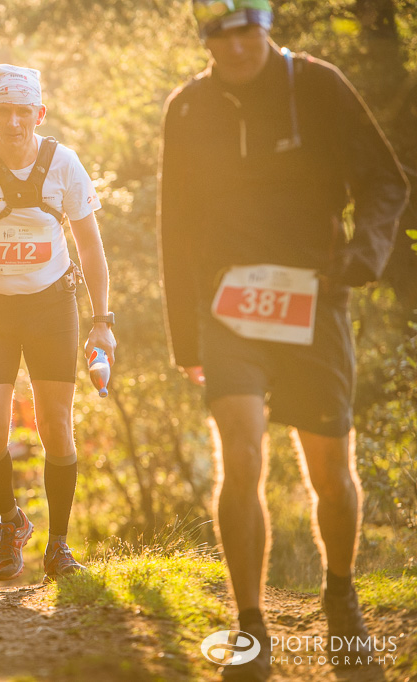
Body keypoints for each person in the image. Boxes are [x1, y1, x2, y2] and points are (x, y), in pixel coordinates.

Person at [158, 1, 410, 679]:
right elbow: (174, 225)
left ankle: (341, 598)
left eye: (247, 31)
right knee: (240, 457)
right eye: (221, 35)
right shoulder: (188, 109)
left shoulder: (318, 85)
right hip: (229, 307)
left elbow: (386, 181)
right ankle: (251, 627)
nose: (237, 47)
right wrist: (186, 338)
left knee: (330, 471)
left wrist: (363, 256)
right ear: (206, 40)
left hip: (315, 298)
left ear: (266, 26)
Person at [0, 64, 117, 581]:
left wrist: (102, 320)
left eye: (24, 112)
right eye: (5, 111)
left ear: (40, 113)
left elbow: (90, 246)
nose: (14, 122)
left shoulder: (65, 164)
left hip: (52, 307)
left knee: (57, 425)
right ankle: (11, 522)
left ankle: (58, 546)